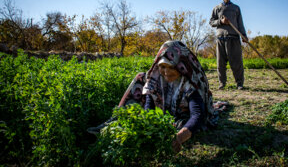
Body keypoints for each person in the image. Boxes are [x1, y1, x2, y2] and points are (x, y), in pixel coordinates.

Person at [88, 40, 221, 153]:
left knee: (177, 126)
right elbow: (149, 103)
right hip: (162, 112)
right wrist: (147, 122)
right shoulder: (156, 76)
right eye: (162, 66)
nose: (166, 72)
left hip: (182, 115)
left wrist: (179, 137)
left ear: (181, 66)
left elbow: (197, 115)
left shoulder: (191, 83)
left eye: (171, 67)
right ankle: (112, 122)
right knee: (140, 77)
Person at [209, 0, 248, 90]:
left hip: (234, 37)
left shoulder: (236, 8)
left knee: (236, 62)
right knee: (220, 64)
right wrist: (221, 21)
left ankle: (239, 83)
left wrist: (244, 35)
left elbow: (240, 23)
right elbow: (211, 22)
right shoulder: (217, 8)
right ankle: (222, 83)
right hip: (221, 38)